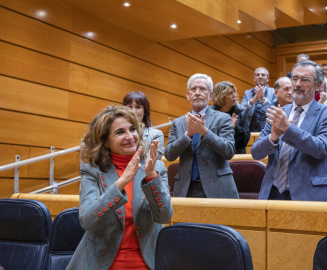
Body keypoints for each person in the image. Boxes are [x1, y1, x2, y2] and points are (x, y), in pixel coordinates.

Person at [68, 106, 173, 269]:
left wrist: (151, 176)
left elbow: (164, 216)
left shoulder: (155, 166)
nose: (130, 136)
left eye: (132, 129)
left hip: (147, 262)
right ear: (105, 141)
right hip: (101, 263)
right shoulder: (92, 170)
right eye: (120, 132)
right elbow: (87, 220)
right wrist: (122, 181)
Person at [251, 60, 327, 201]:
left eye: (305, 79)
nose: (298, 84)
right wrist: (273, 137)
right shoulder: (278, 112)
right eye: (295, 78)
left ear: (318, 85)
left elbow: (322, 149)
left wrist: (288, 129)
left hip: (310, 196)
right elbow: (256, 152)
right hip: (273, 194)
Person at [164, 73, 238, 198]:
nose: (197, 92)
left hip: (218, 188)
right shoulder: (178, 122)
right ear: (188, 95)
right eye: (193, 89)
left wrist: (205, 133)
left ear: (211, 95)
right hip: (186, 189)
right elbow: (169, 155)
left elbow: (229, 151)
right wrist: (187, 136)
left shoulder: (223, 118)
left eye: (202, 88)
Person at [211, 81, 250, 154]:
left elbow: (245, 140)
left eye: (234, 92)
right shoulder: (210, 112)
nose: (234, 95)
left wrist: (234, 128)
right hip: (214, 155)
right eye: (230, 93)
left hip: (236, 154)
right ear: (220, 96)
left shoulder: (241, 111)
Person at [123, 91, 164, 160]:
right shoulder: (118, 132)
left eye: (138, 107)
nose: (133, 111)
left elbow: (155, 162)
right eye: (130, 107)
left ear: (145, 111)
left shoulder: (157, 134)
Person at [241, 67, 277, 132]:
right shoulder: (247, 93)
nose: (260, 77)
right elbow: (241, 111)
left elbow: (275, 110)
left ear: (268, 78)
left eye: (263, 75)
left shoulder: (274, 92)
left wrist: (263, 100)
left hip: (269, 129)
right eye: (257, 75)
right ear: (254, 78)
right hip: (250, 130)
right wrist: (251, 102)